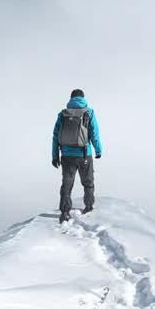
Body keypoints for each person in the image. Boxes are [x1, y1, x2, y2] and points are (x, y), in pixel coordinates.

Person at [52, 89, 102, 223]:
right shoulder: (89, 112)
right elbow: (94, 133)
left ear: (71, 98)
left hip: (66, 156)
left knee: (67, 184)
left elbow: (56, 136)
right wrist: (98, 150)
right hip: (84, 154)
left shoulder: (63, 114)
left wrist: (55, 156)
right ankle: (89, 207)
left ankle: (65, 213)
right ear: (83, 98)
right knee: (88, 182)